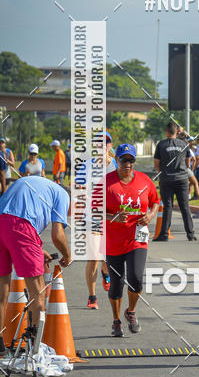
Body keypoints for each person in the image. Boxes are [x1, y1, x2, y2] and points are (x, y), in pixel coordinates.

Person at [0, 175, 71, 355]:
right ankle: (34, 347)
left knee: (2, 291)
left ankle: (0, 344)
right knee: (37, 291)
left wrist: (38, 248)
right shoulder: (63, 196)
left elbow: (17, 214)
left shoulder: (39, 183)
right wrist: (67, 254)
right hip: (21, 227)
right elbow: (57, 235)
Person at [99, 143, 159, 337]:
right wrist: (112, 217)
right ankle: (116, 321)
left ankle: (130, 312)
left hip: (137, 239)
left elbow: (156, 202)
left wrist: (150, 215)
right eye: (124, 160)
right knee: (117, 283)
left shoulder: (144, 180)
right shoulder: (106, 183)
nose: (128, 164)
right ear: (116, 160)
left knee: (136, 279)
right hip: (114, 242)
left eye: (131, 160)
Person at [74, 133, 117, 310]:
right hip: (91, 216)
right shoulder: (86, 166)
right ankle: (92, 297)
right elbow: (79, 188)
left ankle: (106, 273)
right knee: (94, 257)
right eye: (97, 143)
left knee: (107, 257)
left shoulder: (116, 165)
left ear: (109, 145)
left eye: (104, 142)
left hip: (112, 217)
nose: (101, 145)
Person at [153, 120, 196, 241]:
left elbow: (156, 163)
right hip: (182, 178)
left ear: (166, 131)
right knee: (185, 207)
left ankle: (164, 234)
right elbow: (188, 161)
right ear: (177, 132)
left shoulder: (161, 144)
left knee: (168, 206)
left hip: (166, 178)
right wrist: (183, 170)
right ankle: (190, 234)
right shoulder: (183, 144)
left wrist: (161, 172)